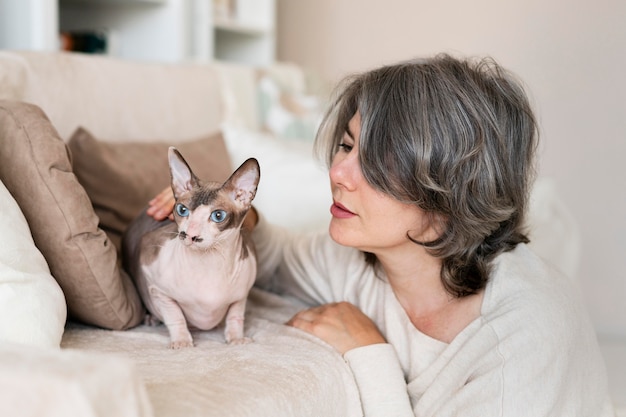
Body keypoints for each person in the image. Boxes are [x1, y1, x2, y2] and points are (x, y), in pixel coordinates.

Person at [147, 54, 614, 416]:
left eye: (377, 161)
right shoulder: (356, 260)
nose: (337, 170)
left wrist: (370, 353)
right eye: (347, 144)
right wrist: (221, 215)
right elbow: (270, 259)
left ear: (450, 192)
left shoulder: (523, 338)